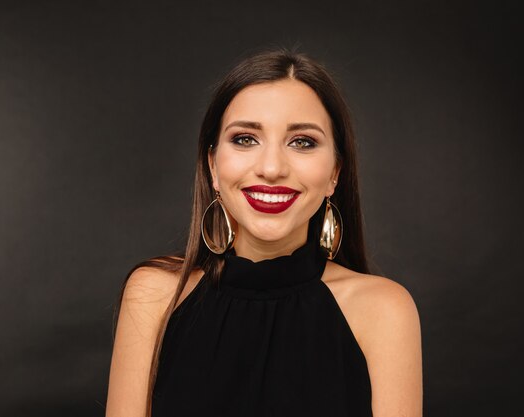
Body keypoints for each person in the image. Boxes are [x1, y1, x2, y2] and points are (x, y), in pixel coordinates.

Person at [106, 49, 423, 417]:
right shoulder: (154, 294)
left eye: (302, 142)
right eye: (245, 139)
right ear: (212, 166)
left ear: (335, 172)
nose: (271, 168)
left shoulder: (384, 310)